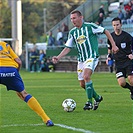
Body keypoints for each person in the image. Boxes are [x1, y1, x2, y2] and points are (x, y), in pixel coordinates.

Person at [52, 10, 119, 111]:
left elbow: (106, 31)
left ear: (81, 17)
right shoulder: (73, 32)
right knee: (82, 84)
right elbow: (68, 47)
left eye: (74, 18)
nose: (72, 20)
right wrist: (58, 57)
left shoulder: (90, 26)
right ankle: (97, 98)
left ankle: (89, 102)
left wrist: (113, 45)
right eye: (71, 19)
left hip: (92, 57)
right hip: (81, 59)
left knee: (86, 76)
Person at [0, 41, 54, 126]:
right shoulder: (5, 44)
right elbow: (19, 61)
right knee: (23, 94)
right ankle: (47, 119)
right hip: (11, 70)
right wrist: (16, 74)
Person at [107, 17, 133, 100]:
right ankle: (131, 89)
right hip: (118, 63)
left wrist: (132, 54)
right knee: (122, 83)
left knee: (131, 79)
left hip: (128, 61)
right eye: (114, 25)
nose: (116, 27)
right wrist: (109, 57)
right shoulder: (111, 37)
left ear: (121, 25)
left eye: (117, 25)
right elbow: (109, 49)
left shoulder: (127, 36)